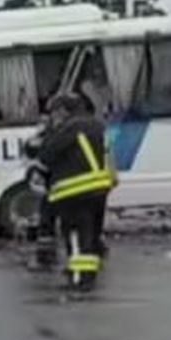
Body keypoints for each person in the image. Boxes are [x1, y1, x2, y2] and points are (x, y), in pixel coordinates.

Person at [35, 94, 116, 293]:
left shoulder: (68, 128)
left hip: (74, 190)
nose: (52, 117)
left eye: (53, 113)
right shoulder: (97, 125)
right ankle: (89, 276)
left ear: (62, 111)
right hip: (99, 188)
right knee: (91, 234)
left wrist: (45, 134)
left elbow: (46, 155)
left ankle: (80, 279)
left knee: (75, 236)